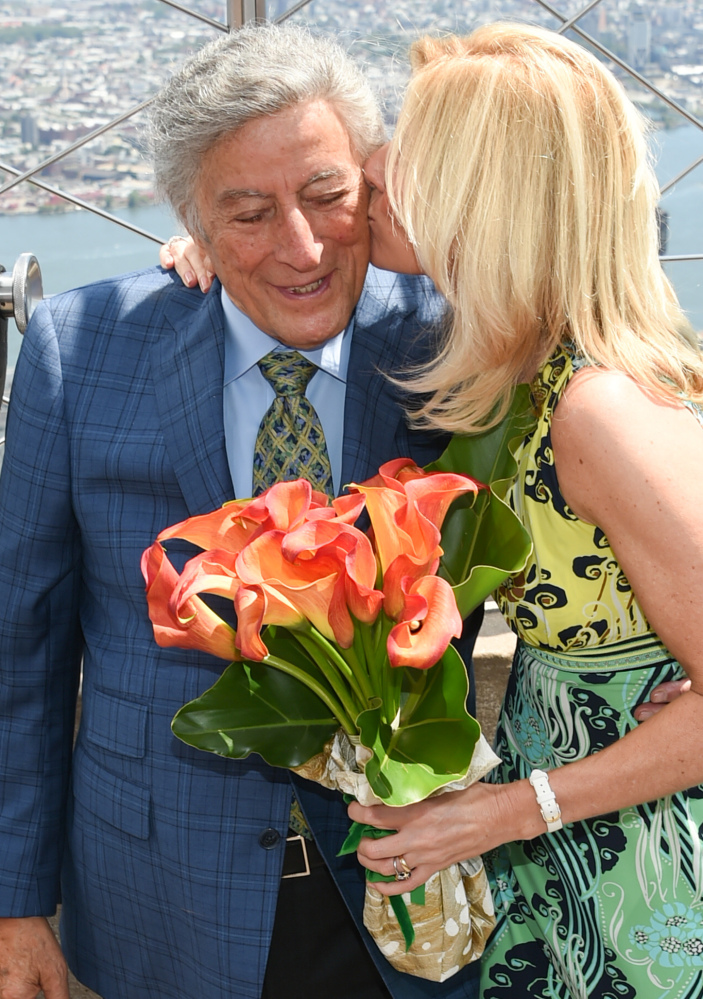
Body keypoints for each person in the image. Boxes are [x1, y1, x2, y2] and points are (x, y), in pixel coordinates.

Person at [0, 23, 484, 999]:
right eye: (250, 213)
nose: (301, 249)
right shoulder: (79, 353)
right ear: (192, 218)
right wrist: (13, 908)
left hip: (419, 896)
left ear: (373, 184)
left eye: (326, 196)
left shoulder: (457, 343)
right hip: (158, 905)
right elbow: (22, 652)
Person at [330, 23, 703, 999]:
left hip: (648, 891)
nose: (378, 176)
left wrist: (503, 812)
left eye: (411, 159)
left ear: (480, 199)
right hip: (572, 860)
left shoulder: (599, 409)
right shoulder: (537, 381)